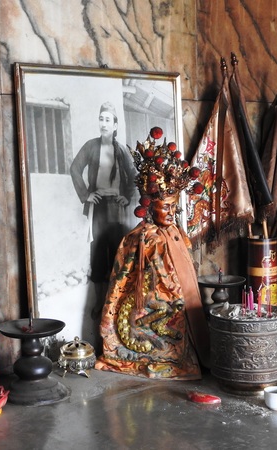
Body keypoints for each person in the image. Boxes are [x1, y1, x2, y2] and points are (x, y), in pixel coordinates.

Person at [95, 127, 210, 380]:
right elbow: (126, 282)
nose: (172, 213)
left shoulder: (175, 233)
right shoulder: (141, 238)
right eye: (165, 207)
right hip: (145, 304)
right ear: (150, 206)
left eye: (174, 207)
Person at [70, 102, 136, 319]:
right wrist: (86, 195)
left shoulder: (122, 150)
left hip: (116, 208)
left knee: (118, 253)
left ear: (115, 125)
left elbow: (134, 176)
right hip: (98, 207)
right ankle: (100, 302)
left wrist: (127, 197)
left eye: (108, 120)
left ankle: (117, 301)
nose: (104, 124)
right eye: (101, 119)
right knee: (98, 254)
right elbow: (75, 168)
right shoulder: (91, 146)